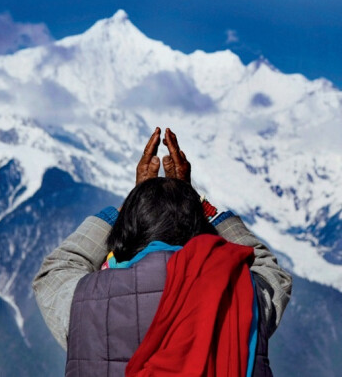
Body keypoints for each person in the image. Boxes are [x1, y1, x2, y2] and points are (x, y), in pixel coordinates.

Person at [33, 128, 292, 376]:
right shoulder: (239, 294)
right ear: (198, 231)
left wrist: (130, 206)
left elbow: (57, 270)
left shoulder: (86, 302)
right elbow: (269, 271)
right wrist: (202, 206)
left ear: (130, 230)